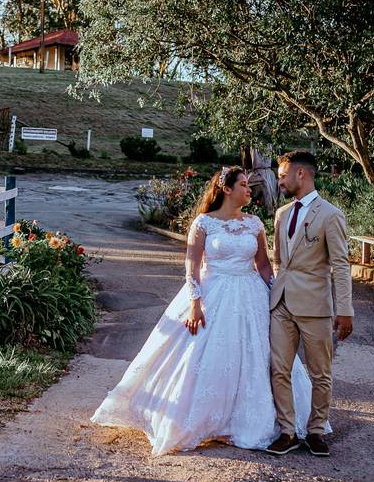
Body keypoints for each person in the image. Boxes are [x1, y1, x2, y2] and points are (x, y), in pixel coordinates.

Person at [91, 166, 326, 456]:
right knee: (205, 355)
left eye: (248, 185)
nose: (248, 189)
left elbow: (264, 266)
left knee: (259, 356)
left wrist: (279, 296)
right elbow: (192, 267)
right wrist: (194, 303)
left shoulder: (255, 224)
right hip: (213, 293)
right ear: (226, 189)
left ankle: (270, 421)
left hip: (251, 295)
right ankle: (199, 418)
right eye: (242, 184)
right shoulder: (203, 224)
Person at [265, 151, 353, 457]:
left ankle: (316, 431)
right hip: (282, 304)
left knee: (320, 373)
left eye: (282, 175)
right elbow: (278, 261)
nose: (279, 180)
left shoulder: (331, 215)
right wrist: (275, 293)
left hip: (316, 306)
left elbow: (341, 266)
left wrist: (345, 310)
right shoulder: (282, 214)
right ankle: (287, 431)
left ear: (301, 174)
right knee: (279, 369)